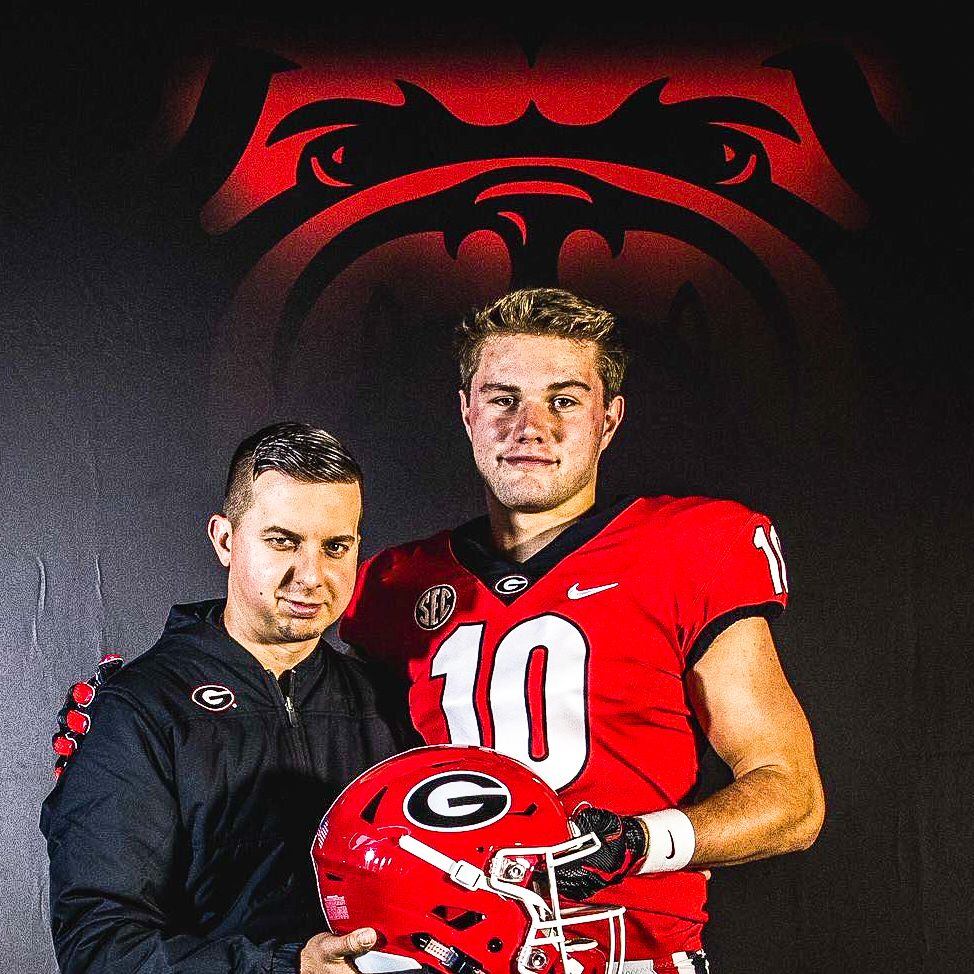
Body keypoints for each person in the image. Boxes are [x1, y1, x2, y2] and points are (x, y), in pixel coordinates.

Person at [339, 289, 826, 973]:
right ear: (466, 413)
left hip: (624, 952)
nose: (529, 426)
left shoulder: (686, 546)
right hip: (435, 952)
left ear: (609, 420)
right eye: (502, 398)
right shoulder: (396, 582)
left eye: (564, 399)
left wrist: (639, 841)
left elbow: (792, 796)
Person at [41, 423, 415, 974]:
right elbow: (100, 946)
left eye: (336, 546)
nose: (311, 576)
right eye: (282, 541)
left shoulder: (387, 703)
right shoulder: (140, 711)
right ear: (224, 539)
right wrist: (286, 968)